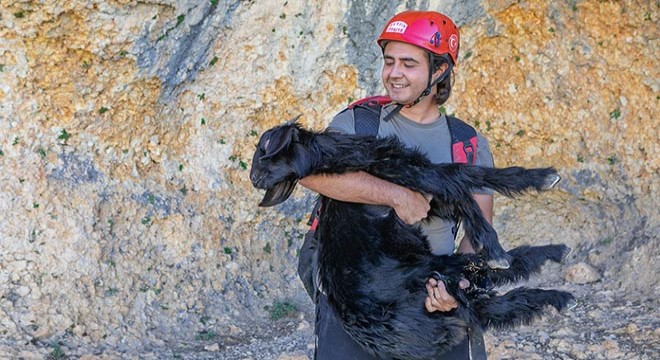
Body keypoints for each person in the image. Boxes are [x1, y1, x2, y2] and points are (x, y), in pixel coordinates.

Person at [299, 10, 494, 359]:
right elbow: (310, 172)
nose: (394, 74)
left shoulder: (467, 144)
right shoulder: (359, 124)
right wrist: (396, 195)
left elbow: (478, 233)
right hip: (354, 296)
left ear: (439, 70)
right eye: (389, 62)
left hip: (431, 301)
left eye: (408, 63)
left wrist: (458, 283)